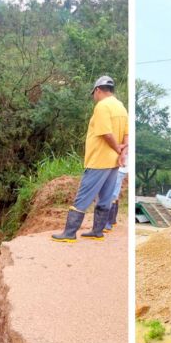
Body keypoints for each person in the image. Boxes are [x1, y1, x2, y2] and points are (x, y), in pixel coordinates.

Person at [52, 75, 129, 242]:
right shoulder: (121, 107)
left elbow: (105, 133)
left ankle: (69, 233)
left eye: (93, 93)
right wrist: (122, 153)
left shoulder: (102, 106)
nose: (94, 97)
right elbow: (127, 134)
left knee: (83, 195)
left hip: (99, 160)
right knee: (106, 197)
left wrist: (117, 148)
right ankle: (97, 231)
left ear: (98, 90)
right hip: (114, 162)